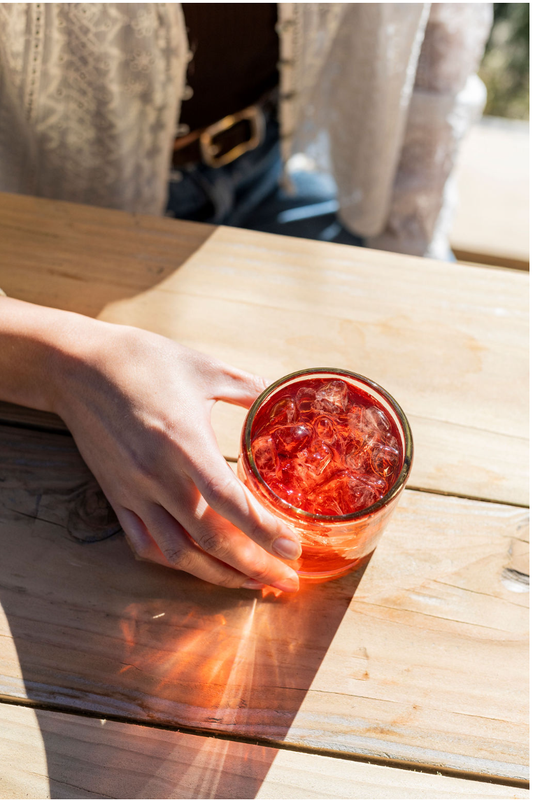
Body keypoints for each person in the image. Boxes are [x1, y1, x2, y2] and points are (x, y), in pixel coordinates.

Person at [0, 4, 492, 592]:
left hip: (276, 168)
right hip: (49, 214)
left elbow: (434, 39)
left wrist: (408, 259)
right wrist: (63, 361)